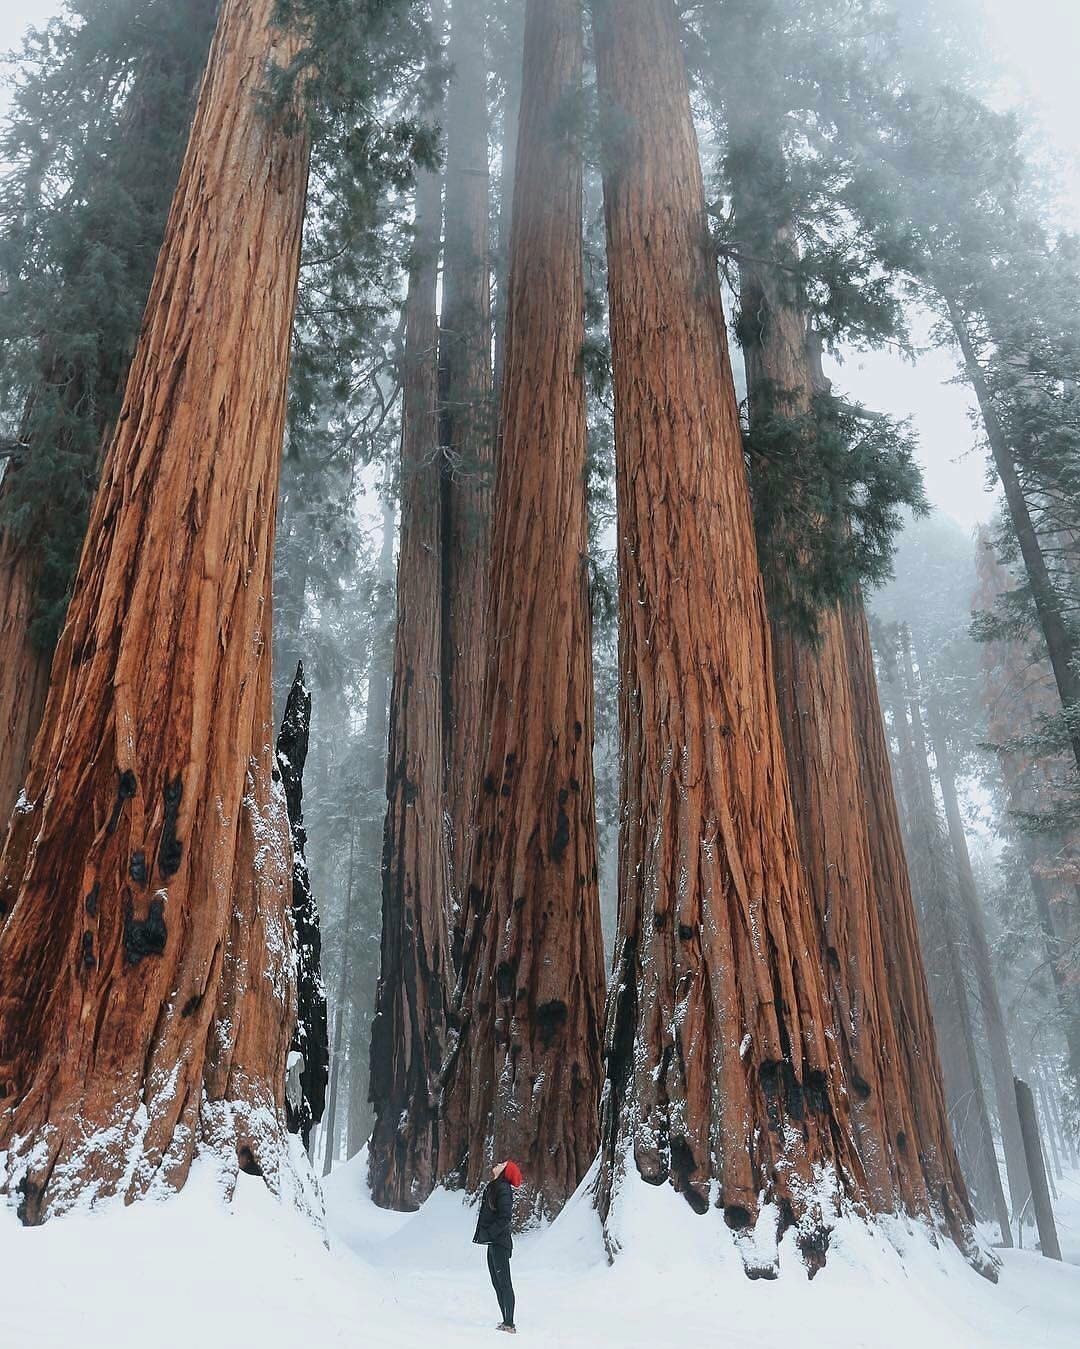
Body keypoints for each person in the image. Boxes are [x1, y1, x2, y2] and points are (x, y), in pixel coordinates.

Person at [473, 1159, 522, 1334]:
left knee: (504, 1283)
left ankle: (510, 1323)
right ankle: (505, 1321)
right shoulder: (496, 1186)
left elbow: (505, 1217)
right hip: (493, 1242)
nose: (498, 1164)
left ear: (505, 1172)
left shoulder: (503, 1189)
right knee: (497, 1282)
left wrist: (491, 1234)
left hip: (500, 1243)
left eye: (502, 1164)